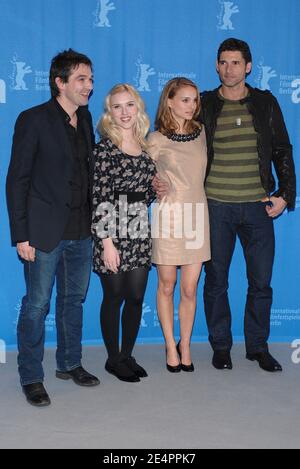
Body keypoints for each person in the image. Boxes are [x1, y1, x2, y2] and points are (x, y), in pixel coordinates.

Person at [6, 49, 100, 407]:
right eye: (81, 79)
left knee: (72, 301)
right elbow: (17, 180)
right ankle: (31, 375)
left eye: (91, 79)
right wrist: (22, 234)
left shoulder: (87, 119)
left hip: (81, 230)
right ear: (59, 83)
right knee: (37, 304)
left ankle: (70, 363)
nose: (89, 86)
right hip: (44, 232)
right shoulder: (34, 120)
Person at [201, 38, 296, 372]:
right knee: (216, 282)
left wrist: (285, 194)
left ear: (248, 66)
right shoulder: (204, 104)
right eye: (223, 62)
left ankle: (257, 347)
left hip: (258, 207)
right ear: (216, 65)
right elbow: (180, 144)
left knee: (260, 282)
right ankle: (221, 347)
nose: (229, 69)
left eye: (236, 63)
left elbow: (283, 150)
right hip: (215, 207)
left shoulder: (265, 103)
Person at [92, 84, 157, 383]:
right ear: (110, 112)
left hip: (139, 227)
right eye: (117, 107)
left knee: (135, 296)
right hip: (112, 228)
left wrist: (156, 189)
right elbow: (100, 196)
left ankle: (128, 355)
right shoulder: (105, 148)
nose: (124, 112)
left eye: (129, 105)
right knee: (114, 295)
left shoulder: (145, 147)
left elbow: (144, 194)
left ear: (138, 108)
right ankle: (113, 359)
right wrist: (107, 243)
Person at [148, 78, 211, 373]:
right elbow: (139, 175)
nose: (192, 105)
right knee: (167, 284)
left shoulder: (201, 133)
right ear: (169, 101)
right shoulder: (156, 138)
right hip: (168, 217)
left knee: (189, 288)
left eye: (195, 100)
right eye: (185, 99)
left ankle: (186, 344)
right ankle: (169, 344)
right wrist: (154, 183)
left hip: (197, 216)